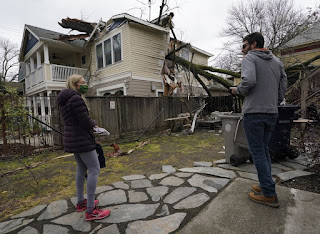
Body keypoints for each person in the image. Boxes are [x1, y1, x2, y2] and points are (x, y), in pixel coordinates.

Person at [230, 32, 287, 208]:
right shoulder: (277, 61)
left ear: (253, 44)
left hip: (254, 114)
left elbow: (249, 81)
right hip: (272, 113)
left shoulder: (250, 58)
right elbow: (283, 83)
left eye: (244, 46)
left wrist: (237, 90)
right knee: (264, 150)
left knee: (258, 153)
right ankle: (265, 185)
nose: (242, 51)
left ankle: (269, 194)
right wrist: (275, 101)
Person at [57, 74, 111, 220]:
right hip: (82, 139)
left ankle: (81, 202)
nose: (85, 84)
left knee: (81, 170)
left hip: (73, 139)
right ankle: (91, 210)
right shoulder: (75, 99)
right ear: (75, 84)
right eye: (83, 82)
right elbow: (84, 121)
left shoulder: (65, 99)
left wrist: (91, 124)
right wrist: (95, 126)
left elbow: (77, 119)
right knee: (94, 169)